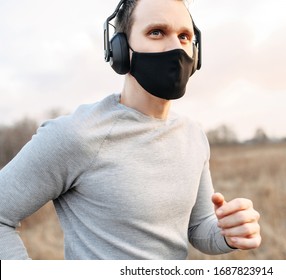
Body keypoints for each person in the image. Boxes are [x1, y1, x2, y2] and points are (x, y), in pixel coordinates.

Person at [0, 0, 261, 260]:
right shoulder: (76, 134)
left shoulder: (193, 135)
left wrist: (228, 233)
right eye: (156, 32)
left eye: (184, 36)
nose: (175, 47)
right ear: (121, 49)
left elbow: (197, 227)